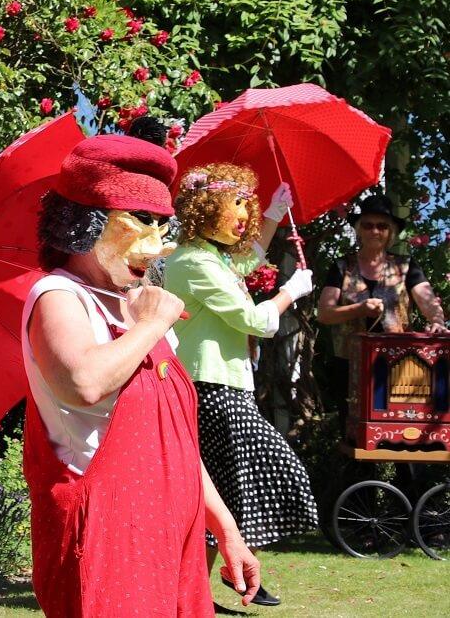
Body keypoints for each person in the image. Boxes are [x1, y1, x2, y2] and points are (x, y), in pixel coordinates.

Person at [23, 135, 260, 618]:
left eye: (162, 225)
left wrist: (226, 528)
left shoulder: (135, 303)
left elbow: (175, 441)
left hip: (169, 532)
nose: (156, 247)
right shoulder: (59, 296)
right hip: (107, 533)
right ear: (84, 225)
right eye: (140, 223)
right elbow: (83, 382)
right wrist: (153, 323)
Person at [163, 164, 318, 608]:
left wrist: (272, 214)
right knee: (245, 481)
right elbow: (254, 320)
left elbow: (247, 260)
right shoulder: (192, 261)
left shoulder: (210, 257)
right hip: (210, 388)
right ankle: (213, 580)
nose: (243, 217)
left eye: (245, 207)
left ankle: (218, 579)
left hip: (226, 386)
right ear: (206, 209)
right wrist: (290, 292)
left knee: (225, 494)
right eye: (237, 206)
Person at [317, 192, 447, 436]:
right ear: (358, 230)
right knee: (356, 438)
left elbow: (427, 300)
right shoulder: (342, 266)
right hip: (349, 366)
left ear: (391, 232)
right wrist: (360, 308)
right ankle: (362, 476)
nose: (374, 231)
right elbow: (324, 314)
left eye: (381, 226)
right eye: (367, 225)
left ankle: (406, 475)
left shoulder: (406, 266)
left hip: (398, 367)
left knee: (406, 434)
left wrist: (437, 322)